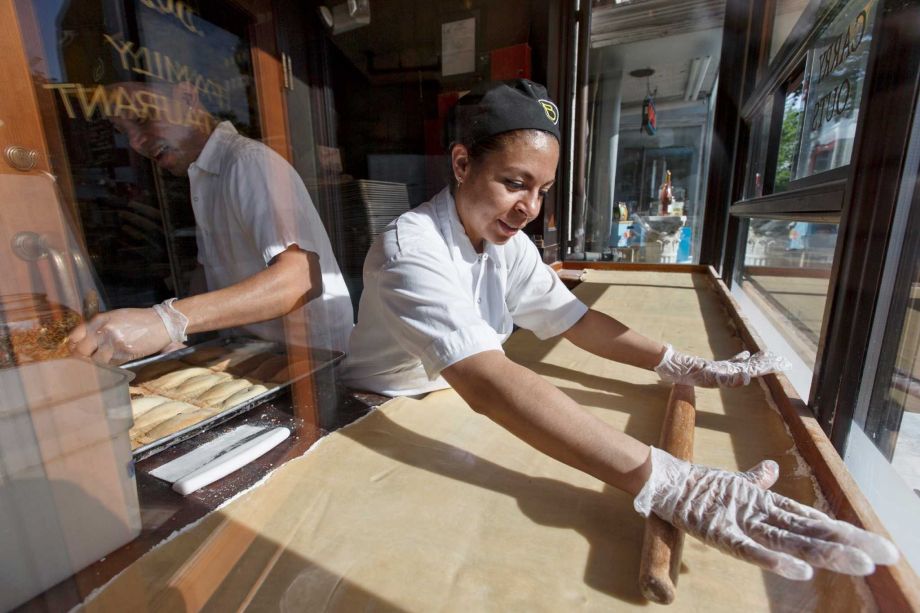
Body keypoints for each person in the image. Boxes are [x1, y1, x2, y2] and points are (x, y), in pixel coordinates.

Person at [342, 79, 898, 581]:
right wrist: (666, 479)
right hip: (377, 413)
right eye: (515, 183)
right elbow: (486, 381)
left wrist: (676, 362)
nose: (530, 208)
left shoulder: (502, 243)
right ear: (462, 164)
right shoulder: (410, 251)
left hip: (449, 406)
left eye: (543, 190)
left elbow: (576, 321)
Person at [68, 81, 353, 363]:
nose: (134, 142)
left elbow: (300, 278)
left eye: (142, 119)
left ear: (188, 98)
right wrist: (178, 337)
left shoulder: (247, 162)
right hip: (256, 353)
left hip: (314, 358)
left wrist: (165, 320)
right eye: (122, 132)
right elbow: (209, 269)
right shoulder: (203, 175)